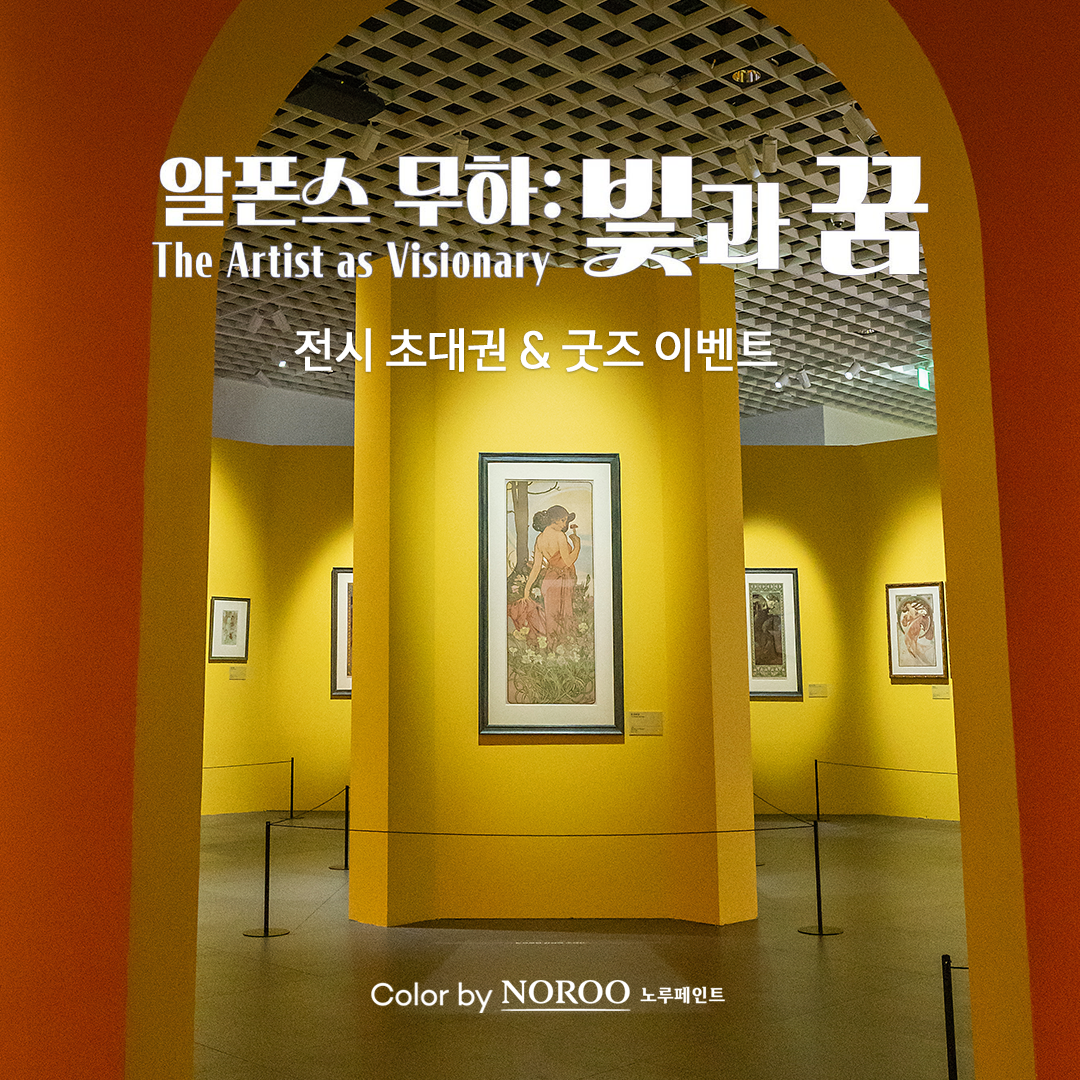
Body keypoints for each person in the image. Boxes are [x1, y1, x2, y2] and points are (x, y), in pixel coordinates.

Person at [515, 504, 581, 648]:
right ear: (554, 520)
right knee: (563, 616)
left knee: (552, 617)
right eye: (563, 520)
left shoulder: (540, 539)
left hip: (548, 582)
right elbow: (567, 561)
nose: (565, 524)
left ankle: (552, 648)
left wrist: (527, 589)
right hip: (560, 581)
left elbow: (536, 567)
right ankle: (563, 649)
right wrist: (577, 546)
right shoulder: (559, 536)